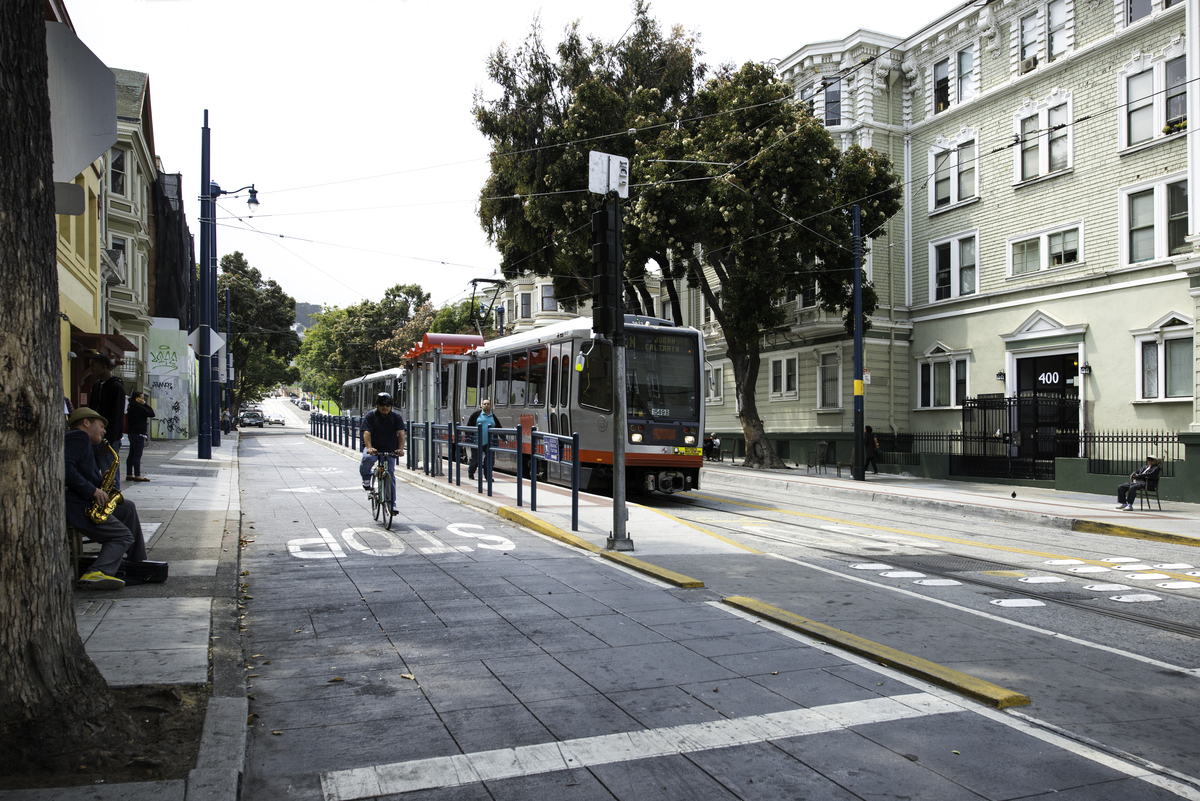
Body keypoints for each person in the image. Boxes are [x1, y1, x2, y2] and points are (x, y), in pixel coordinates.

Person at [65, 408, 148, 590]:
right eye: (101, 426)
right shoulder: (78, 437)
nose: (104, 431)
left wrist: (101, 484)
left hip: (83, 501)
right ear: (86, 423)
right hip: (78, 507)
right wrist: (92, 490)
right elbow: (64, 467)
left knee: (127, 507)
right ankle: (97, 572)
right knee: (123, 536)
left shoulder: (84, 442)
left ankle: (139, 563)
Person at [360, 392, 407, 514]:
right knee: (367, 459)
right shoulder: (371, 416)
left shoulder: (395, 417)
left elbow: (401, 433)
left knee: (390, 475)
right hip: (374, 448)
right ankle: (366, 478)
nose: (385, 407)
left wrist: (400, 449)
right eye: (382, 405)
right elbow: (366, 433)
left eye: (388, 405)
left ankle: (391, 503)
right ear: (377, 405)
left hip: (390, 448)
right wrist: (369, 448)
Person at [87, 354, 126, 490]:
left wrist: (109, 439)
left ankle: (113, 504)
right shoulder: (96, 386)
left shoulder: (116, 387)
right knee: (91, 472)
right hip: (94, 437)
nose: (91, 369)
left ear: (103, 367)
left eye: (93, 365)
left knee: (110, 474)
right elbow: (91, 411)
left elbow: (117, 415)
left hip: (108, 439)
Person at [467, 398, 502, 481]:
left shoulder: (493, 416)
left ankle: (488, 476)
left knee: (489, 460)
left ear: (490, 406)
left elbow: (498, 427)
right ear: (482, 405)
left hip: (490, 442)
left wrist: (503, 438)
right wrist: (468, 438)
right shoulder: (476, 415)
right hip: (476, 441)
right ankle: (471, 472)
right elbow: (469, 426)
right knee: (475, 459)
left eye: (488, 404)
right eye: (484, 404)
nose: (486, 405)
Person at [125, 390, 155, 482]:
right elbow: (151, 413)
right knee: (137, 455)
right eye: (142, 398)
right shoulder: (140, 408)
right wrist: (145, 404)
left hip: (132, 433)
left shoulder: (130, 407)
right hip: (139, 433)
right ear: (137, 399)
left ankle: (129, 474)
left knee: (131, 454)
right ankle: (137, 475)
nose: (143, 400)